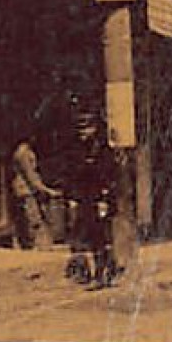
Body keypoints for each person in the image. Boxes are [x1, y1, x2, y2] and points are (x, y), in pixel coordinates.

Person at [65, 116, 119, 288]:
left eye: (87, 129)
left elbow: (108, 176)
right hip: (85, 198)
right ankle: (90, 273)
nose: (83, 133)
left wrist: (104, 198)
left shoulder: (103, 150)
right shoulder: (77, 149)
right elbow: (72, 174)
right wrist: (73, 197)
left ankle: (104, 273)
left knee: (101, 237)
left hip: (99, 198)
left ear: (95, 129)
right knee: (87, 236)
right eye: (80, 129)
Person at [10, 133, 61, 250]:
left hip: (26, 189)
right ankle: (35, 246)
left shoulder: (25, 151)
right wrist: (46, 190)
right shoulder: (24, 153)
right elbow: (31, 176)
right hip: (25, 189)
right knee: (34, 220)